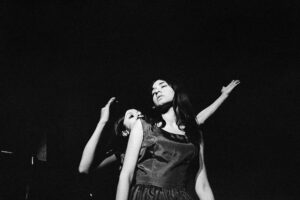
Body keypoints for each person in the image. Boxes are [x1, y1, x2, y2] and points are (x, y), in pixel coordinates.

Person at [115, 79, 239, 200]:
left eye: (162, 86)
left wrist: (224, 95)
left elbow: (202, 185)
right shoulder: (143, 126)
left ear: (176, 90)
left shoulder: (194, 133)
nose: (157, 91)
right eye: (153, 91)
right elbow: (126, 175)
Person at [78, 97, 143, 174]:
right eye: (131, 116)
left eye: (140, 114)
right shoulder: (121, 154)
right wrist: (102, 122)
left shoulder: (158, 138)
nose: (138, 116)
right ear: (125, 132)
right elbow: (83, 169)